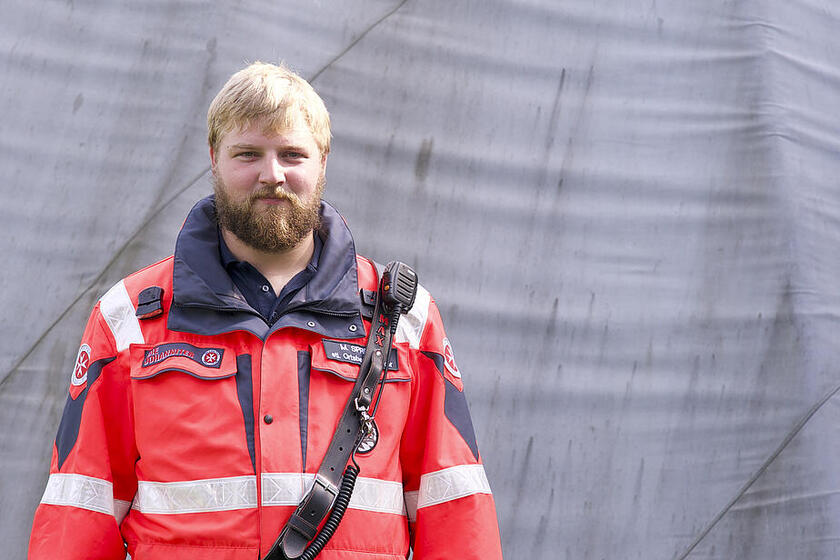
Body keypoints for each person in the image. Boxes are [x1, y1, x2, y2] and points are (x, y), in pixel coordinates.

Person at [28, 61, 503, 560]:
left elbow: (455, 510)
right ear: (214, 157)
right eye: (248, 153)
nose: (271, 175)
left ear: (323, 160)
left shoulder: (405, 320)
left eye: (292, 154)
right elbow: (78, 513)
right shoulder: (130, 319)